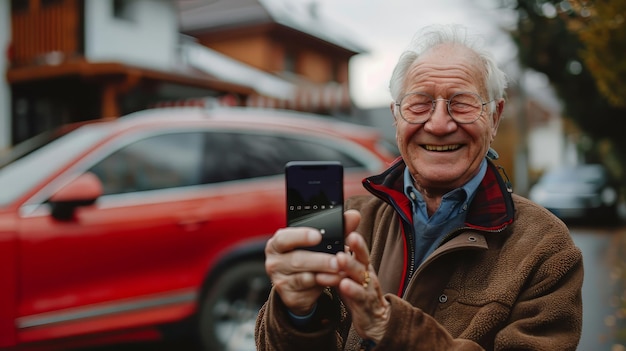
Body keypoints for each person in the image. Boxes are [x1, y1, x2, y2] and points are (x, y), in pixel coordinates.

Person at [255, 24, 583, 350]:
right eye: (419, 103)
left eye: (463, 103)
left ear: (494, 117)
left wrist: (390, 326)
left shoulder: (545, 248)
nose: (439, 124)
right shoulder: (351, 221)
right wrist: (297, 312)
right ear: (396, 117)